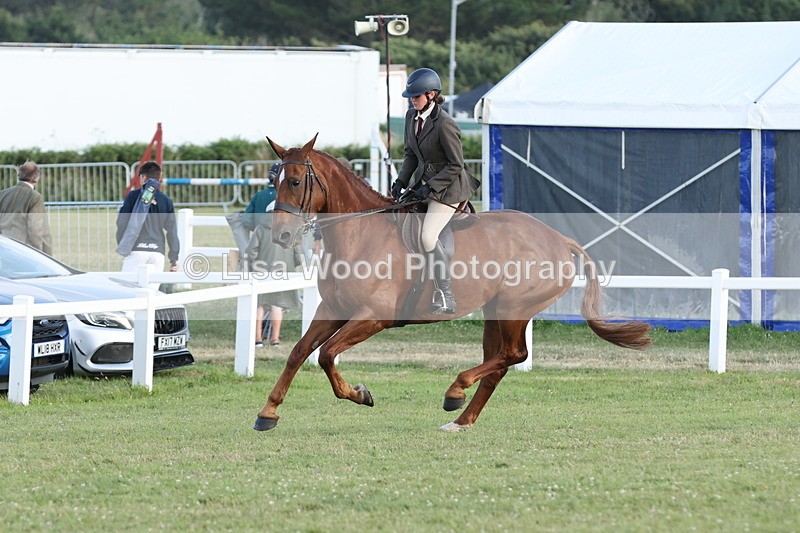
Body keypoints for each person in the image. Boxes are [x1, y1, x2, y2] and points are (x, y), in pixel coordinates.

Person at [391, 67, 480, 314]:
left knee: (428, 236)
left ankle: (446, 295)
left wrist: (430, 188)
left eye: (416, 96)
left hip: (449, 188)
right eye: (410, 96)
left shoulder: (445, 124)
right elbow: (410, 154)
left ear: (431, 95)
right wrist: (401, 181)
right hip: (423, 183)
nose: (412, 99)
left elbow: (456, 165)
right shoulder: (411, 117)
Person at [245, 202, 303, 347]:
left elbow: (251, 251)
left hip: (261, 271)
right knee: (277, 306)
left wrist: (254, 265)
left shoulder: (260, 228)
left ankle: (257, 339)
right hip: (284, 272)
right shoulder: (293, 229)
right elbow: (298, 255)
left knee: (260, 305)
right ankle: (275, 340)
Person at [115, 161, 179, 273]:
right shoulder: (166, 200)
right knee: (151, 290)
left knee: (127, 289)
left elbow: (122, 222)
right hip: (157, 253)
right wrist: (174, 258)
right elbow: (172, 231)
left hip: (136, 251)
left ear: (143, 177)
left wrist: (123, 244)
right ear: (159, 178)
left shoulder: (133, 196)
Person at [225, 162, 280, 270]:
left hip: (258, 240)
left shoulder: (258, 195)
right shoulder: (284, 196)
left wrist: (256, 228)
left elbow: (246, 220)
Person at [0, 161, 53, 255]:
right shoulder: (35, 197)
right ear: (36, 177)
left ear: (19, 175)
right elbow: (35, 230)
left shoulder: (3, 194)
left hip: (4, 247)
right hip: (24, 251)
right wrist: (41, 255)